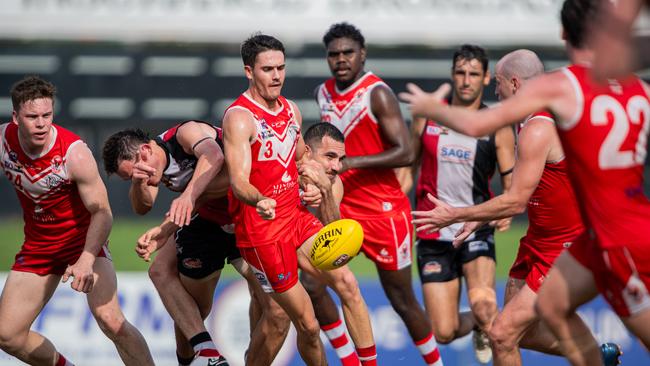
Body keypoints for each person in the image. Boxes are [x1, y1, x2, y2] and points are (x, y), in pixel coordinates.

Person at [399, 0, 650, 365]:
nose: (494, 93)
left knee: (502, 333)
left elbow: (511, 195)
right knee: (528, 327)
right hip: (564, 239)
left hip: (586, 239)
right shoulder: (635, 88)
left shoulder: (552, 103)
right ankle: (601, 355)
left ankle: (600, 355)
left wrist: (430, 107)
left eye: (497, 84)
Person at [101, 124, 291, 366]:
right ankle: (205, 353)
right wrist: (139, 185)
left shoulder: (185, 134)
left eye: (139, 174)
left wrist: (185, 201)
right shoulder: (150, 165)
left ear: (146, 151)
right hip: (206, 219)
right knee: (180, 293)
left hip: (248, 214)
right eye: (132, 178)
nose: (143, 179)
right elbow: (143, 207)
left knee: (275, 310)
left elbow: (216, 158)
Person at [223, 33, 360, 366]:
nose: (277, 76)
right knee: (305, 325)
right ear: (248, 72)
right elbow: (239, 181)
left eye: (281, 68)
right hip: (262, 232)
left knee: (345, 280)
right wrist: (259, 200)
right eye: (268, 69)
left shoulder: (291, 110)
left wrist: (313, 182)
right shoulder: (240, 118)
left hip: (295, 216)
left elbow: (300, 161)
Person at [0, 75, 154, 366]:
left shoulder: (74, 154)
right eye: (32, 116)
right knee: (7, 335)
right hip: (39, 247)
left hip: (83, 242)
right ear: (16, 117)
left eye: (47, 115)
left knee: (110, 320)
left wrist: (85, 258)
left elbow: (103, 212)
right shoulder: (2, 141)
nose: (42, 123)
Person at [316, 22, 443, 366]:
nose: (341, 59)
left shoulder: (377, 93)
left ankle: (436, 363)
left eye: (348, 52)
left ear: (362, 54)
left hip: (384, 211)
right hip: (340, 207)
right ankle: (350, 360)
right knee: (312, 279)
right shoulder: (323, 93)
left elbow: (405, 151)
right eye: (334, 54)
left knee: (402, 299)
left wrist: (351, 161)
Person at [402, 44, 516, 364]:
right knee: (443, 331)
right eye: (461, 73)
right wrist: (396, 204)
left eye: (474, 74)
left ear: (486, 78)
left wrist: (504, 212)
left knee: (484, 304)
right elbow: (409, 165)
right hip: (431, 231)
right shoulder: (428, 114)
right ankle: (479, 326)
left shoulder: (497, 123)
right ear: (452, 75)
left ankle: (486, 321)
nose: (466, 81)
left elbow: (511, 184)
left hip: (475, 226)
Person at [298, 122, 376, 366]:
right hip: (265, 237)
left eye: (341, 158)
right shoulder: (284, 168)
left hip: (301, 239)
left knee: (348, 282)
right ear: (307, 152)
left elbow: (334, 238)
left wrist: (325, 191)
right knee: (275, 319)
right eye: (330, 156)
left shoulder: (334, 183)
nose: (337, 166)